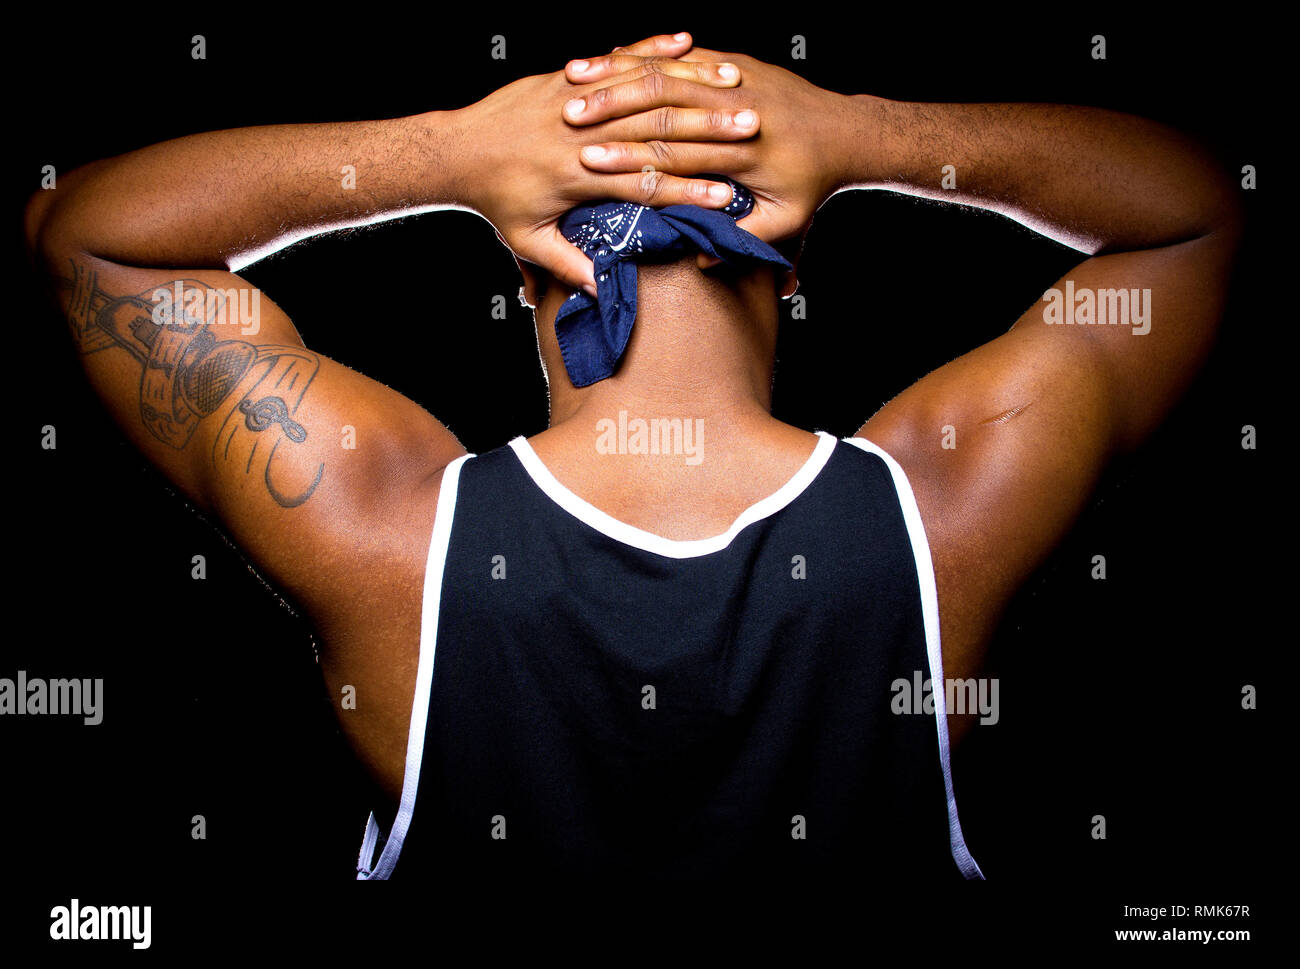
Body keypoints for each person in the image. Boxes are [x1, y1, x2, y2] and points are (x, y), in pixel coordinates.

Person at [23, 32, 1242, 888]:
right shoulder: (943, 504)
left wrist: (445, 155)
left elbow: (88, 238)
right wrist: (858, 133)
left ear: (528, 275)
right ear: (789, 271)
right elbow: (1198, 209)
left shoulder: (386, 525)